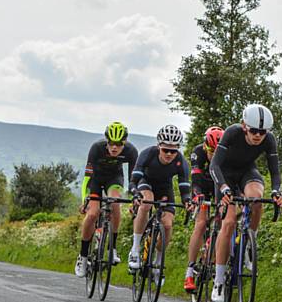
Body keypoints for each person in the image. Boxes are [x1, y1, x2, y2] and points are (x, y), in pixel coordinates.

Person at [209, 104, 282, 302]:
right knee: (228, 223)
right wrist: (223, 187)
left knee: (257, 198)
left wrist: (277, 190)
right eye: (254, 131)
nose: (258, 135)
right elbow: (214, 165)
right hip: (224, 175)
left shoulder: (269, 140)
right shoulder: (232, 133)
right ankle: (218, 282)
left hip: (246, 173)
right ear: (244, 126)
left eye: (262, 131)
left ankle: (250, 242)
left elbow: (275, 172)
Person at [127, 125, 194, 285]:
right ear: (159, 146)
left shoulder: (180, 161)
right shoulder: (148, 154)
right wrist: (135, 194)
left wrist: (187, 201)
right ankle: (135, 249)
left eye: (173, 151)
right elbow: (133, 182)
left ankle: (158, 263)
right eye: (165, 150)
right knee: (147, 202)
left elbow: (184, 188)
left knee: (168, 225)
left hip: (165, 189)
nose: (169, 154)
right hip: (146, 183)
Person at [74, 122, 138, 278]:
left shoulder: (131, 151)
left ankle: (112, 248)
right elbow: (87, 178)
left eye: (118, 144)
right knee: (92, 214)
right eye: (111, 144)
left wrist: (133, 199)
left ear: (125, 143)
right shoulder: (96, 148)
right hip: (95, 180)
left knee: (115, 202)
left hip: (114, 179)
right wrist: (85, 200)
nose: (114, 148)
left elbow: (133, 180)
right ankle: (82, 256)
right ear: (106, 141)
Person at [183, 126, 224, 293]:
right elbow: (196, 178)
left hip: (219, 187)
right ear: (206, 147)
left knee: (222, 223)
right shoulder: (198, 153)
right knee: (200, 224)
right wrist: (197, 195)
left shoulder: (226, 154)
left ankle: (215, 260)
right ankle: (190, 271)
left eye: (217, 152)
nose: (214, 155)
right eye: (211, 152)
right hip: (203, 186)